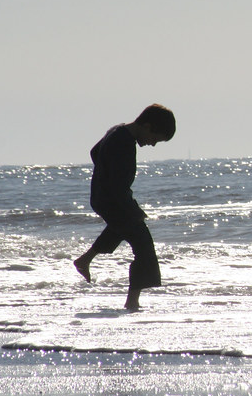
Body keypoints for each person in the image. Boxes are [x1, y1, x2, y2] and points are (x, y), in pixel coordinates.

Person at [74, 104, 176, 311]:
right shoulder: (123, 142)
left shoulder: (118, 131)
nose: (153, 144)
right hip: (113, 199)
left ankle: (85, 259)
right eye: (155, 138)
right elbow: (118, 185)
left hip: (103, 198)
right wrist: (131, 209)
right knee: (144, 246)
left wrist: (104, 170)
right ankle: (132, 302)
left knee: (120, 229)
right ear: (147, 126)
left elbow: (94, 152)